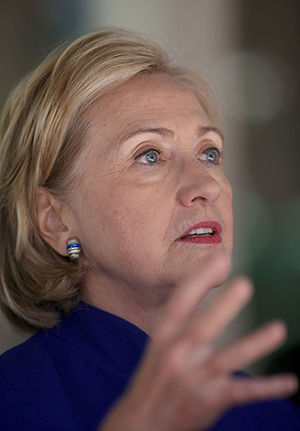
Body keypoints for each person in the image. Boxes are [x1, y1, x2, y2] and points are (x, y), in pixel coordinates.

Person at [0, 28, 299, 431]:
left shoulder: (273, 416)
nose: (206, 185)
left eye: (209, 152)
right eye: (150, 155)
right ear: (56, 219)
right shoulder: (12, 401)